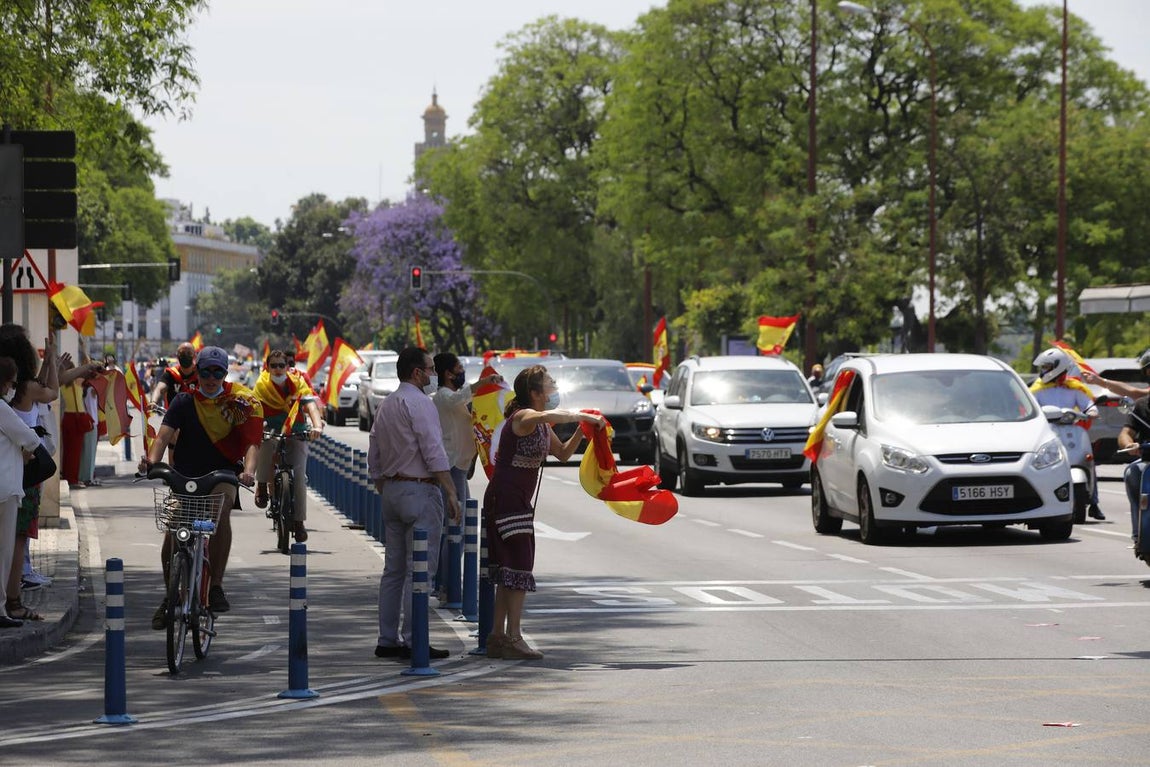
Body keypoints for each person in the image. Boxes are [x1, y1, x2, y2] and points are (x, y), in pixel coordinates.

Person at [482, 364, 605, 660]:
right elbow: (545, 416)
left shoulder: (541, 426)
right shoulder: (524, 417)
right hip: (506, 498)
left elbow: (562, 453)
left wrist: (582, 429)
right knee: (519, 564)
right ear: (535, 393)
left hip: (518, 500)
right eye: (549, 383)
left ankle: (497, 636)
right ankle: (513, 637)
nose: (553, 388)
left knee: (509, 568)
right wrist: (581, 415)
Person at [139, 346, 263, 626]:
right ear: (197, 372)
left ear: (225, 374)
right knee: (172, 531)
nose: (211, 378)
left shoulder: (240, 402)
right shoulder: (184, 402)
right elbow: (163, 437)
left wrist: (248, 472)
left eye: (218, 372)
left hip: (223, 476)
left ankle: (216, 585)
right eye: (206, 372)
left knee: (219, 514)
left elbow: (253, 442)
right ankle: (170, 597)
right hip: (185, 478)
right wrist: (151, 462)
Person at [368, 347, 461, 661]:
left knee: (393, 571)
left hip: (393, 490)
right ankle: (414, 639)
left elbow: (374, 449)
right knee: (419, 571)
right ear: (417, 372)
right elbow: (433, 449)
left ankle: (387, 639)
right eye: (430, 369)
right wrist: (451, 491)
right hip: (420, 490)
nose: (433, 374)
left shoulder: (387, 404)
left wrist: (383, 483)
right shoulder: (421, 403)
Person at [430, 352, 502, 595]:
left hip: (459, 467)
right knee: (457, 529)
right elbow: (459, 398)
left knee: (455, 527)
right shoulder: (443, 396)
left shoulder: (453, 399)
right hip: (452, 469)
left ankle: (444, 582)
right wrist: (484, 382)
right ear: (448, 374)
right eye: (459, 368)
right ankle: (446, 584)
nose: (462, 372)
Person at [252, 348, 324, 543]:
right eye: (273, 365)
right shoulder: (261, 385)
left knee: (299, 476)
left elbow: (310, 406)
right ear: (267, 367)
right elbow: (254, 409)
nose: (277, 369)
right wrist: (254, 427)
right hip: (271, 429)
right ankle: (261, 485)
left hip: (296, 430)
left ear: (287, 367)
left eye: (281, 365)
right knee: (265, 443)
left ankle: (299, 522)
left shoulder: (298, 382)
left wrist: (316, 426)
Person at [1031, 347, 1104, 520]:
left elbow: (1088, 405)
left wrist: (1092, 411)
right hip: (1047, 431)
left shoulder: (1074, 388)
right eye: (1043, 367)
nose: (1043, 370)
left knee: (1088, 459)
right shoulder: (1037, 390)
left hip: (1072, 429)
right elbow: (1030, 407)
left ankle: (1094, 503)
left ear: (1058, 367)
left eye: (1047, 367)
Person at [0, 356, 43, 628]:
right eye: (12, 383)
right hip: (5, 489)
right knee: (4, 552)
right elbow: (30, 438)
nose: (12, 389)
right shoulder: (2, 409)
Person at [1114, 350, 1150, 541]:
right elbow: (1125, 433)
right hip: (1148, 462)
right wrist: (1130, 444)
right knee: (1132, 473)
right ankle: (1139, 533)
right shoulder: (1141, 405)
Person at [150, 342, 199, 409]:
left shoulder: (200, 374)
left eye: (189, 353)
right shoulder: (170, 374)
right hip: (173, 413)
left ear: (194, 355)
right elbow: (160, 389)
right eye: (182, 353)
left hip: (196, 414)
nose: (185, 355)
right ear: (177, 355)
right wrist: (153, 402)